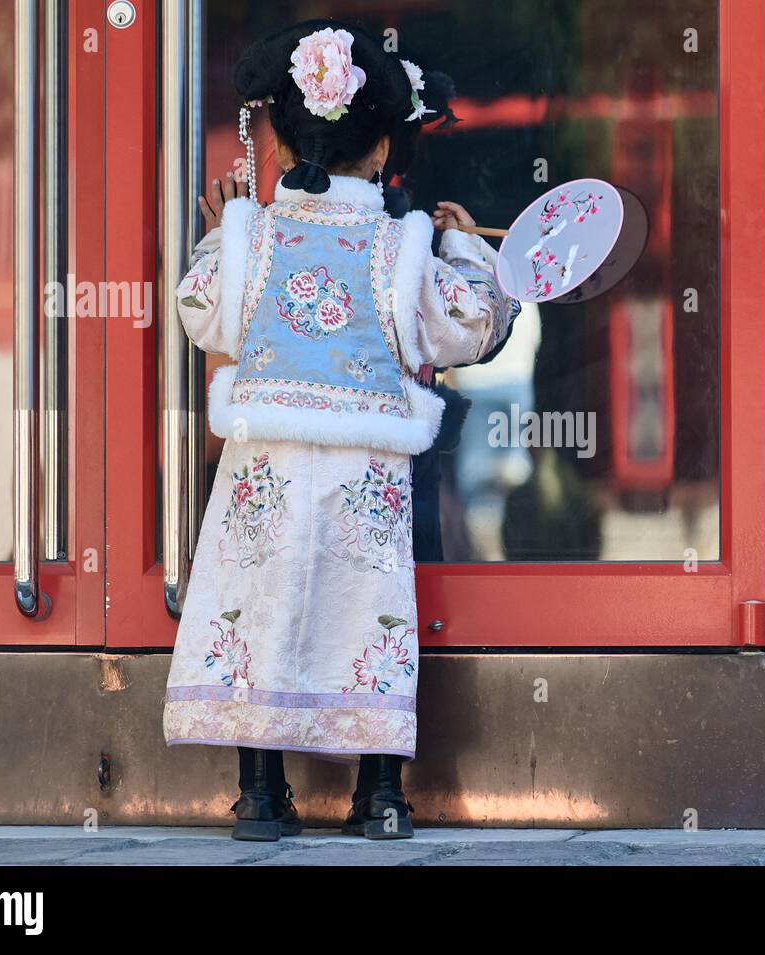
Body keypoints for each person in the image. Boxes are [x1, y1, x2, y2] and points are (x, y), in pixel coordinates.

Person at [161, 19, 516, 841]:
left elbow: (199, 310)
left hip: (266, 466)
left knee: (255, 604)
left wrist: (221, 232)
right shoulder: (403, 245)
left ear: (278, 142)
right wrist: (465, 251)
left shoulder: (252, 233)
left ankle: (258, 792)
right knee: (370, 611)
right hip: (367, 472)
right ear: (387, 148)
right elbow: (469, 327)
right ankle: (382, 795)